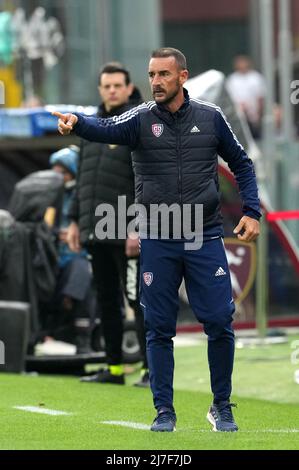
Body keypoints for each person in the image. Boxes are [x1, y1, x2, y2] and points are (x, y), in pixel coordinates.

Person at [53, 47, 261, 432]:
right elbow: (104, 129)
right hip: (158, 237)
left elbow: (242, 163)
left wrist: (252, 210)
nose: (156, 82)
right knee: (159, 326)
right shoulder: (140, 119)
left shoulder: (211, 118)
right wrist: (76, 122)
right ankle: (164, 410)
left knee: (219, 320)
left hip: (203, 235)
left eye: (163, 74)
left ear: (182, 76)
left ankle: (221, 406)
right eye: (151, 75)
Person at [66, 62, 149, 386]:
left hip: (127, 233)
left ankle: (149, 370)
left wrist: (136, 226)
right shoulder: (89, 126)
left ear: (129, 88)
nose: (112, 90)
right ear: (100, 89)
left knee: (138, 301)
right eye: (107, 85)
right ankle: (114, 369)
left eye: (118, 85)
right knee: (106, 301)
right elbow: (83, 178)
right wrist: (75, 221)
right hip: (95, 230)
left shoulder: (138, 123)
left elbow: (147, 180)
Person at [44, 146, 93, 353]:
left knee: (80, 271)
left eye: (63, 172)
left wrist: (76, 235)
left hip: (79, 255)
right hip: (50, 256)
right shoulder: (47, 197)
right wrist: (56, 234)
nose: (58, 177)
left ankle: (83, 339)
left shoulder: (85, 195)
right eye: (55, 172)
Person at [226, 55, 266, 139]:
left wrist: (259, 114)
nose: (242, 65)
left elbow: (260, 98)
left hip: (254, 115)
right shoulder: (232, 79)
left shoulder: (256, 77)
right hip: (239, 115)